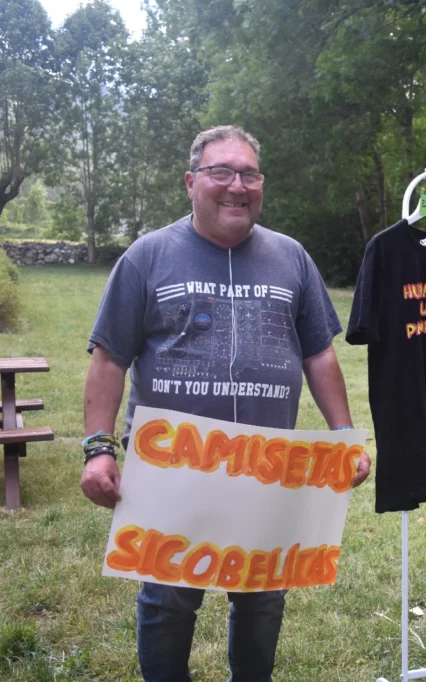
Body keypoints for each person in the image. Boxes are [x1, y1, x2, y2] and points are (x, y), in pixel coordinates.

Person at [79, 125, 371, 682]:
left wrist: (343, 437)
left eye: (249, 174)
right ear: (192, 183)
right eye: (221, 172)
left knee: (262, 599)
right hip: (171, 472)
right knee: (168, 601)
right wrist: (98, 448)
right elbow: (109, 359)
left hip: (268, 468)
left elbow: (319, 355)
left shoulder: (292, 258)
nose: (237, 185)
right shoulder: (148, 256)